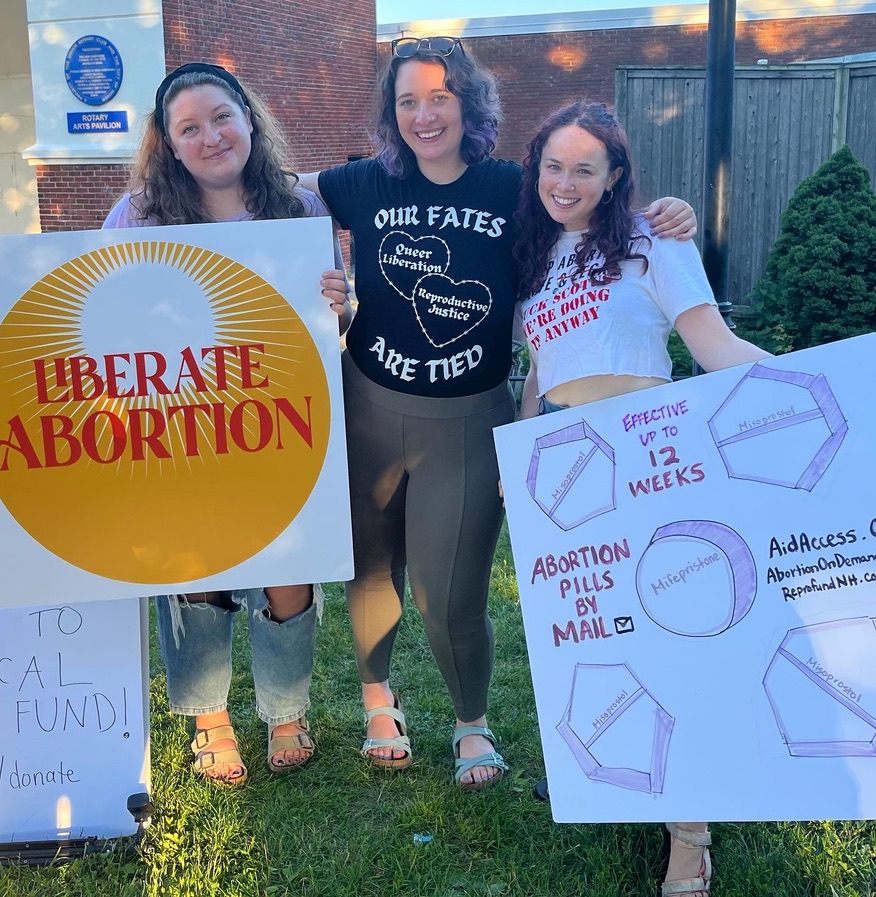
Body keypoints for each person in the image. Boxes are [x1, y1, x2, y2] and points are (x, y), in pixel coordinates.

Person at [297, 37, 698, 789]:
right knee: (371, 567)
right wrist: (163, 203)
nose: (423, 115)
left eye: (440, 98)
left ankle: (470, 719)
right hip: (368, 406)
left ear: (468, 104)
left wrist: (665, 209)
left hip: (468, 418)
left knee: (450, 595)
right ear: (391, 111)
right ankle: (378, 697)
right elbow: (267, 194)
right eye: (407, 99)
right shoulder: (361, 183)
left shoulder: (511, 188)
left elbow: (585, 208)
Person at [514, 100, 772, 894]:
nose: (565, 182)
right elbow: (541, 370)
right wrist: (515, 454)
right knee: (591, 644)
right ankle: (612, 774)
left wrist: (824, 386)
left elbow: (712, 344)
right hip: (559, 471)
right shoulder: (534, 254)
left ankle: (690, 840)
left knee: (670, 640)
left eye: (584, 168)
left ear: (616, 174)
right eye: (553, 165)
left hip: (647, 456)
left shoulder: (654, 240)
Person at [103, 62, 352, 785]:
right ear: (169, 144)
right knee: (195, 561)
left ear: (248, 118)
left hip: (276, 420)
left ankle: (285, 709)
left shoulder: (299, 207)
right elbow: (106, 319)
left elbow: (331, 330)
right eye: (190, 127)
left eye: (222, 117)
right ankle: (210, 717)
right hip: (177, 423)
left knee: (287, 563)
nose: (210, 136)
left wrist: (342, 305)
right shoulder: (137, 216)